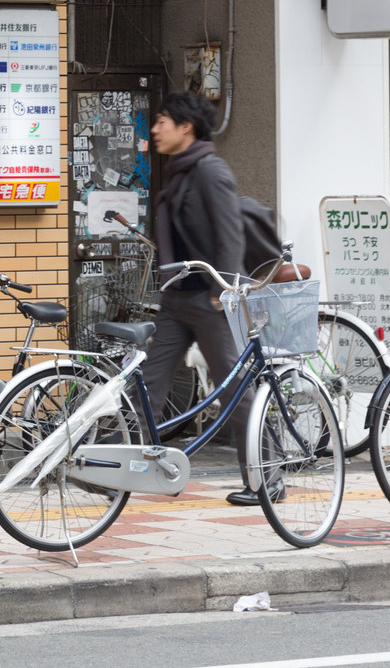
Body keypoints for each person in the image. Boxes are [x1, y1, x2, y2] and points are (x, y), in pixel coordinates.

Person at [139, 89, 266, 505]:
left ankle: (269, 475)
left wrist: (223, 290)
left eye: (162, 122)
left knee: (234, 391)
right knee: (151, 385)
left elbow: (231, 234)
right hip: (179, 299)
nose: (155, 129)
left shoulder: (210, 171)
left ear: (185, 127)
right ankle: (127, 470)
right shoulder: (180, 171)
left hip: (212, 300)